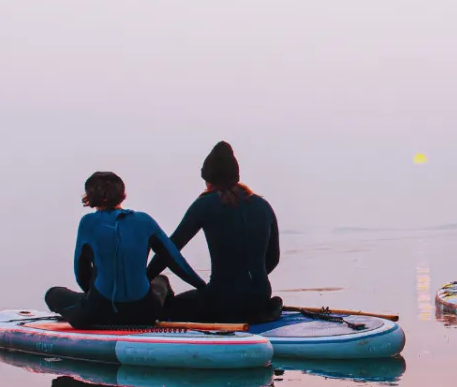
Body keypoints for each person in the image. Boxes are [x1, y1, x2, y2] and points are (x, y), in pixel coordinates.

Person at [45, 171, 208, 328]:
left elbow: (81, 271)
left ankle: (92, 308)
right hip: (145, 314)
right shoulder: (144, 220)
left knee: (53, 294)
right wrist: (202, 287)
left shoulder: (88, 223)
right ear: (123, 194)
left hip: (98, 313)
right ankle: (166, 316)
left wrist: (92, 296)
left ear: (89, 198)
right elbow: (174, 260)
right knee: (161, 281)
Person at [147, 141, 282, 323]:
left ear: (208, 178)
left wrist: (146, 276)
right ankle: (262, 311)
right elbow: (273, 257)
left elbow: (170, 249)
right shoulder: (263, 205)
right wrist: (250, 280)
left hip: (221, 301)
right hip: (260, 296)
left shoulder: (205, 204)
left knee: (172, 302)